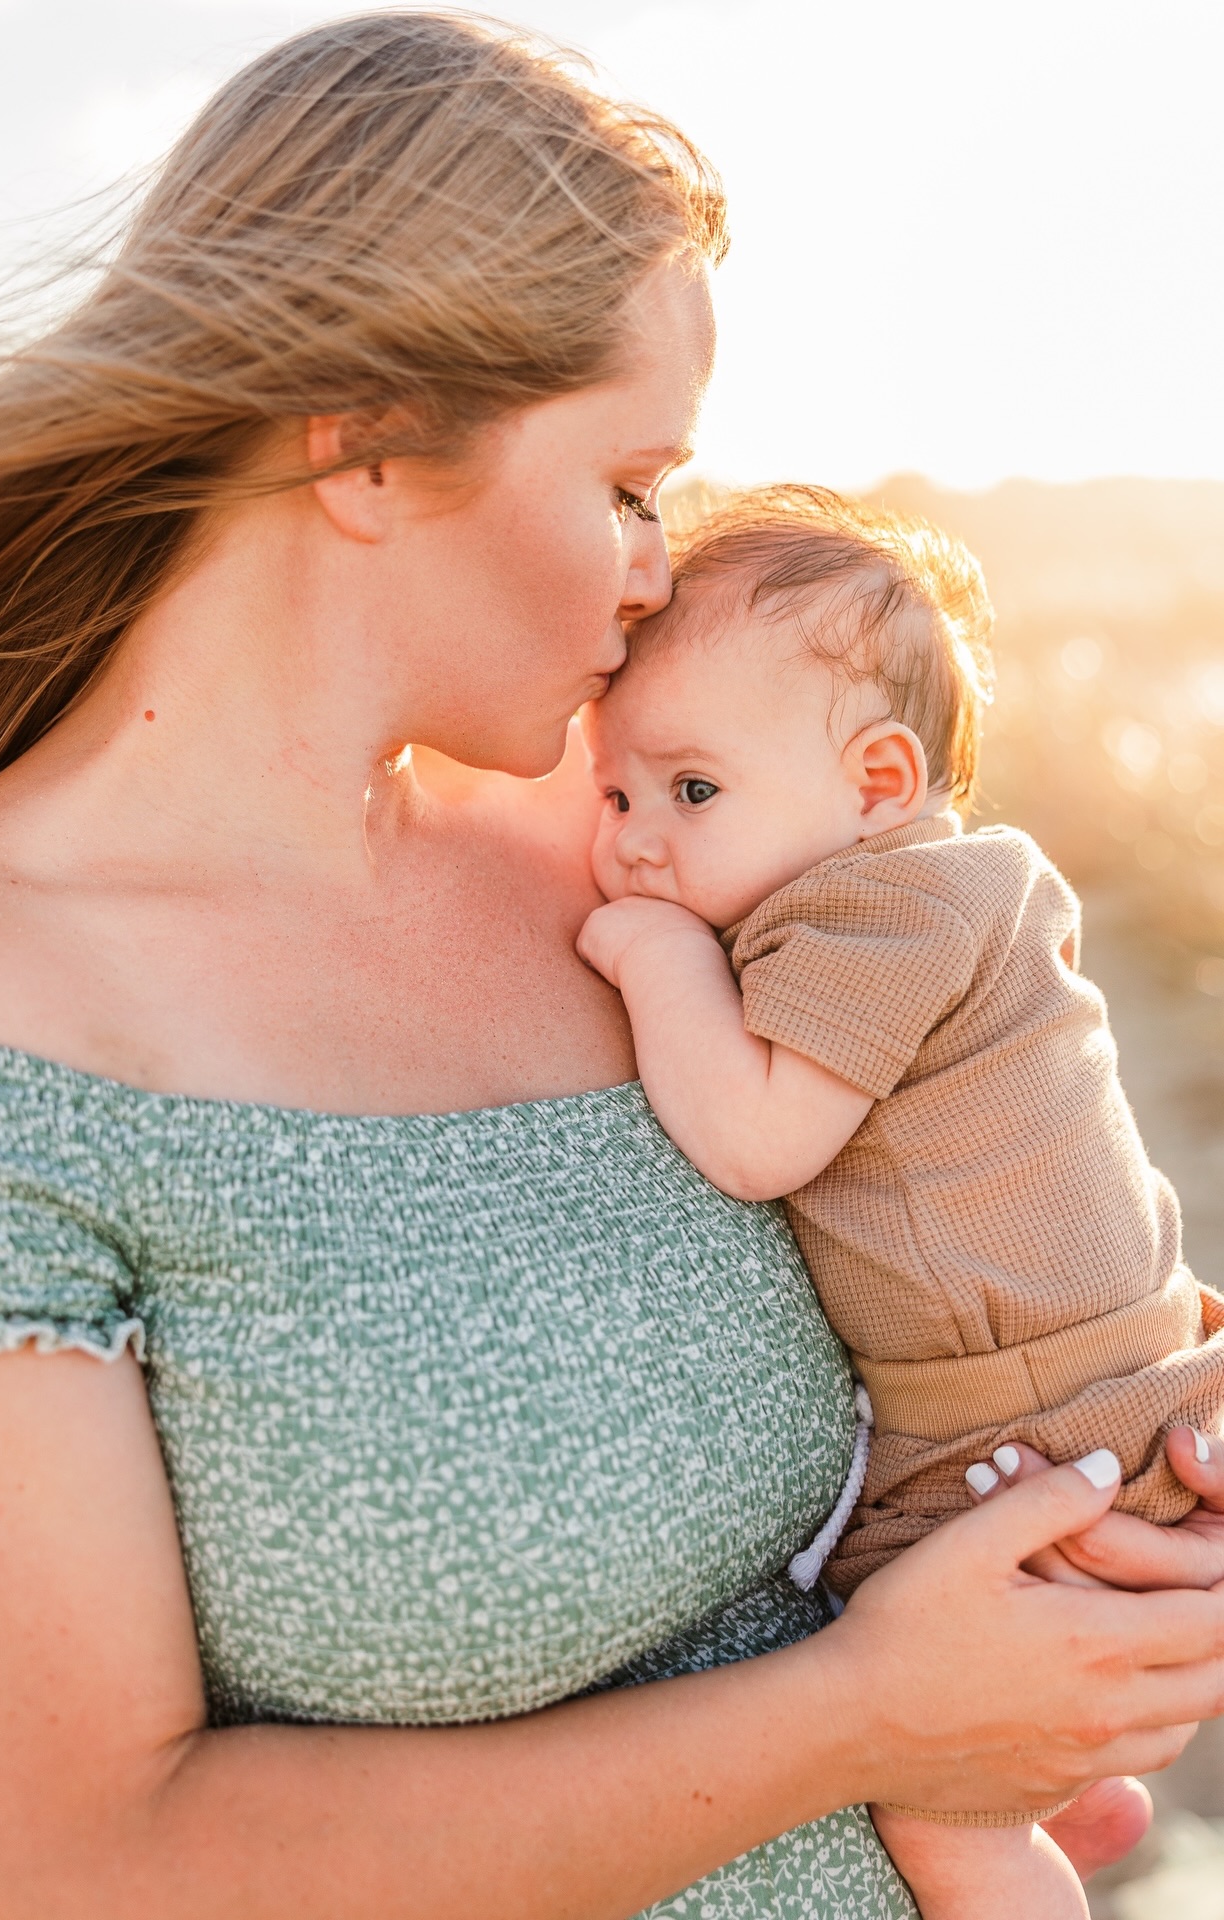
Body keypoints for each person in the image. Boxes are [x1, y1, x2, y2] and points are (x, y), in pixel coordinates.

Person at [0, 16, 1221, 1919]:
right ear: (369, 437)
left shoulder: (624, 837)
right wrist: (875, 1719)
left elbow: (981, 1131)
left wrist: (1154, 1432)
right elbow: (76, 1872)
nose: (657, 569)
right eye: (628, 484)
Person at [575, 484, 1224, 1917]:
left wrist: (656, 958)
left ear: (879, 783)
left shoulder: (876, 909)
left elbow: (757, 1140)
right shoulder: (945, 892)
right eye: (613, 796)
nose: (633, 844)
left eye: (691, 791)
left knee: (945, 1814)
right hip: (1097, 1395)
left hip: (1029, 1433)